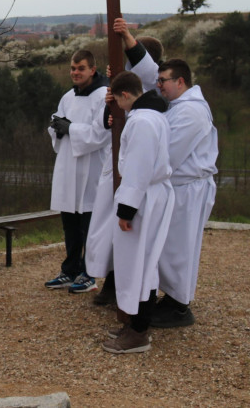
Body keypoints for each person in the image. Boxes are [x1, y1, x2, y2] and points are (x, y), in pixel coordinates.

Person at [86, 18, 164, 306]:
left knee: (130, 234)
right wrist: (109, 117)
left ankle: (134, 294)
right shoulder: (129, 88)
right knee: (104, 227)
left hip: (137, 179)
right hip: (115, 165)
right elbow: (108, 121)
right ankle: (110, 277)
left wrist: (128, 38)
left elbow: (147, 70)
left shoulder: (152, 87)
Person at [103, 71, 173, 354]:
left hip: (143, 198)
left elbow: (138, 168)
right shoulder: (153, 116)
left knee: (138, 263)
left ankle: (139, 332)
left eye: (118, 101)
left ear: (125, 95)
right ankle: (135, 322)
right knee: (142, 261)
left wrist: (126, 210)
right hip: (150, 195)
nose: (118, 107)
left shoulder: (142, 121)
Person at [151, 59, 218, 328]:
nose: (158, 86)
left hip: (187, 190)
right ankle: (173, 298)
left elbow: (170, 154)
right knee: (171, 247)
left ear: (180, 82)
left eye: (163, 81)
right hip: (179, 187)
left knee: (179, 248)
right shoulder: (179, 107)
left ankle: (179, 306)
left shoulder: (191, 112)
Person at [45, 50, 110, 294]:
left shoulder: (104, 96)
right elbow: (56, 121)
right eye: (73, 68)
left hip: (91, 167)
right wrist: (57, 129)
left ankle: (88, 273)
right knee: (70, 224)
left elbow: (101, 134)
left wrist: (71, 129)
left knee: (88, 225)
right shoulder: (68, 96)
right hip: (68, 166)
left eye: (80, 68)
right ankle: (69, 269)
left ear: (92, 70)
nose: (75, 72)